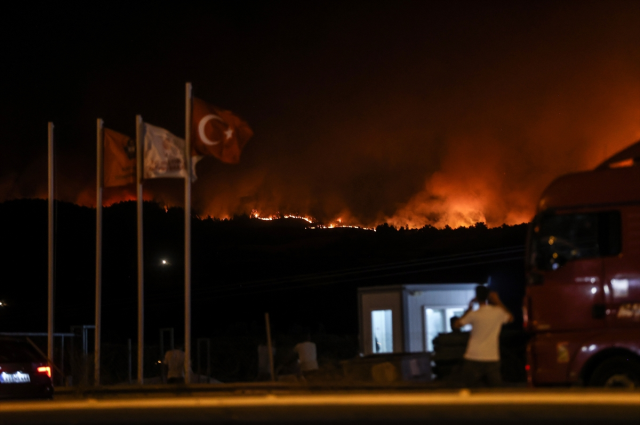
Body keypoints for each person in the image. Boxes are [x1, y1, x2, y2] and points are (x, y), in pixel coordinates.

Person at [452, 285, 513, 387]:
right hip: (492, 356)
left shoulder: (474, 314)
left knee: (467, 388)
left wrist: (469, 308)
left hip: (473, 356)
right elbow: (510, 318)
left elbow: (457, 325)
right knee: (496, 389)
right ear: (489, 296)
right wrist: (497, 300)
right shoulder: (498, 312)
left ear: (476, 297)